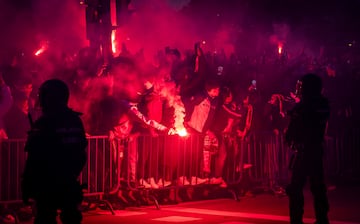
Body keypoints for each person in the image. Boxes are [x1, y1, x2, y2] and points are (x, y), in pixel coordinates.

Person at [21, 79, 87, 224]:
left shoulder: (44, 123)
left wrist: (26, 184)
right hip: (69, 181)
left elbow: (34, 157)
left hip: (47, 184)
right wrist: (71, 173)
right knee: (71, 218)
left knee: (45, 219)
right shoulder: (75, 120)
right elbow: (81, 153)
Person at [285, 73, 330, 224]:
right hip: (317, 150)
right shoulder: (323, 104)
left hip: (304, 152)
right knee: (318, 187)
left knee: (295, 188)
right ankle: (322, 218)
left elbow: (292, 131)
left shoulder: (303, 107)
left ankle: (296, 220)